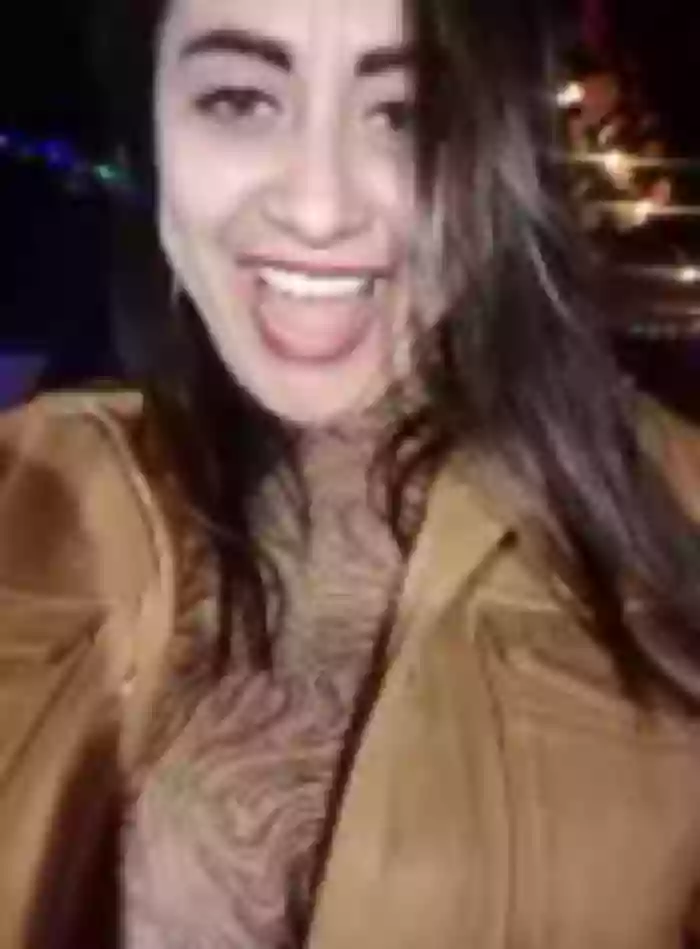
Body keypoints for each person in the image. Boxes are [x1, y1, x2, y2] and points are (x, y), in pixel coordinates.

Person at [1, 0, 700, 947]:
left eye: (409, 114)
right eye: (240, 100)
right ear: (154, 123)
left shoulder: (679, 519)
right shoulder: (29, 488)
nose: (319, 209)